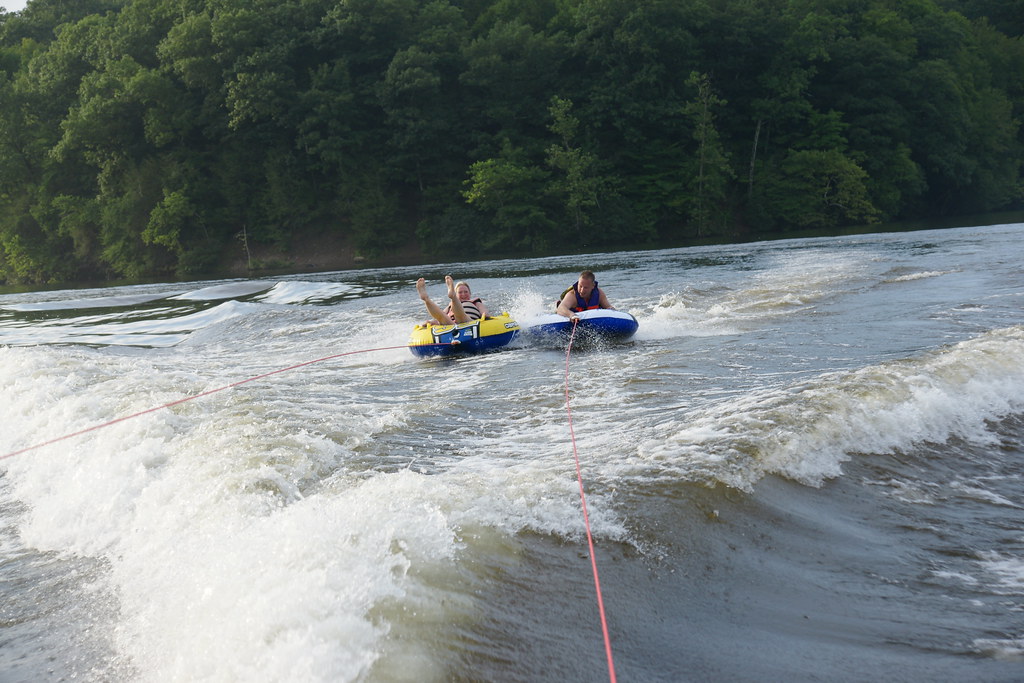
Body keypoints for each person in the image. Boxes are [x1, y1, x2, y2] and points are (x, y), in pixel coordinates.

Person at [416, 275, 489, 325]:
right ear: (456, 294)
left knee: (461, 317)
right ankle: (426, 299)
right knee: (442, 317)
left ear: (470, 293)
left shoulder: (475, 302)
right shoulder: (450, 306)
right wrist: (431, 322)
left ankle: (452, 297)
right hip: (452, 324)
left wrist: (485, 316)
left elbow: (484, 313)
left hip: (470, 321)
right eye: (460, 292)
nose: (463, 294)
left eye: (466, 292)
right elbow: (441, 316)